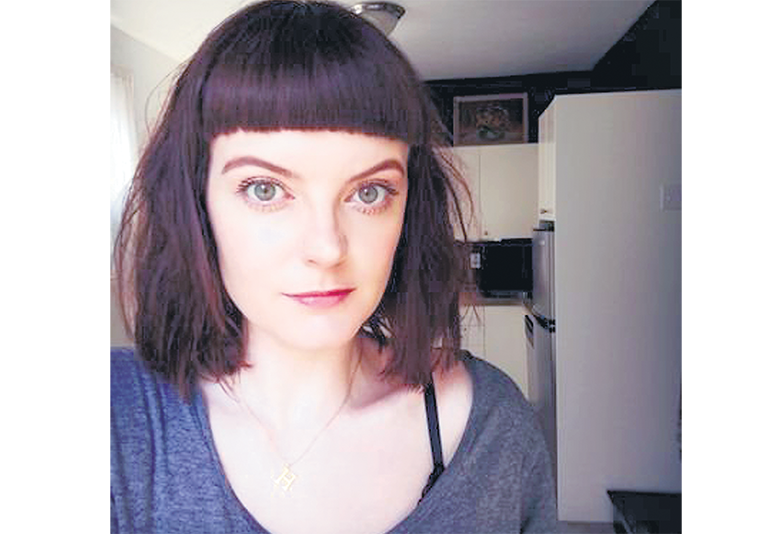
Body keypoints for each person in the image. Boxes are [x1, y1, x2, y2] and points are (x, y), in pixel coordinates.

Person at [110, 1, 557, 532]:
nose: (326, 248)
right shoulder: (114, 421)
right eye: (265, 189)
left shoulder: (493, 430)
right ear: (196, 203)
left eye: (369, 192)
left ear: (408, 211)